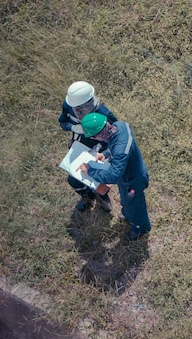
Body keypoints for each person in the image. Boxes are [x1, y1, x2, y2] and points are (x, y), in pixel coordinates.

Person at [79, 112, 151, 241]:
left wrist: (90, 171)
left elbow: (113, 176)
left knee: (135, 207)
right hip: (132, 173)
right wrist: (106, 153)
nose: (94, 139)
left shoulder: (120, 151)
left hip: (132, 181)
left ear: (99, 134)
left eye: (94, 137)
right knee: (127, 202)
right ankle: (129, 215)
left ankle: (140, 228)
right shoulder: (120, 126)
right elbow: (116, 145)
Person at [59, 81, 117, 213]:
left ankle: (103, 197)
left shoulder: (103, 112)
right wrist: (74, 127)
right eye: (76, 108)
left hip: (99, 151)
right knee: (73, 178)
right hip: (78, 147)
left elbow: (115, 133)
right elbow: (62, 122)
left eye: (82, 107)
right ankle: (87, 197)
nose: (78, 111)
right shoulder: (68, 106)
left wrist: (107, 152)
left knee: (98, 178)